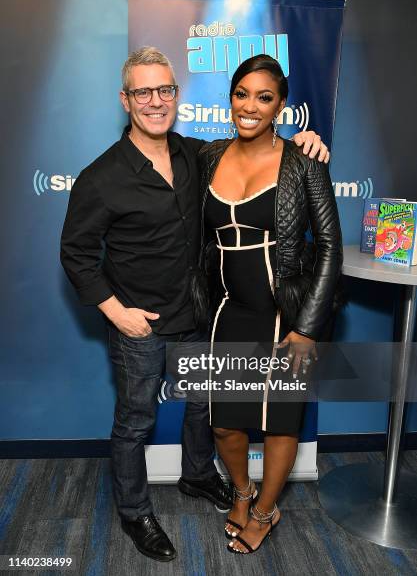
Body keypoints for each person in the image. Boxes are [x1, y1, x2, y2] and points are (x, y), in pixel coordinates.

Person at [60, 47, 330, 563]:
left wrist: (307, 142)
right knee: (135, 421)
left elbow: (258, 155)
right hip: (143, 325)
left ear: (176, 96)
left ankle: (198, 478)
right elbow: (74, 254)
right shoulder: (101, 176)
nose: (156, 101)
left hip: (203, 317)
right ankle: (135, 510)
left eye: (165, 89)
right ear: (125, 100)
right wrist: (116, 312)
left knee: (205, 411)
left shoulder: (194, 155)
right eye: (143, 91)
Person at [198, 54, 343, 554]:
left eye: (264, 97)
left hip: (287, 316)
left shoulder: (304, 163)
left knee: (281, 421)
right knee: (224, 422)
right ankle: (242, 492)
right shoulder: (209, 156)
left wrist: (307, 327)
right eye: (241, 94)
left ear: (281, 105)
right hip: (228, 312)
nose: (250, 106)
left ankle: (265, 510)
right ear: (230, 99)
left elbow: (330, 247)